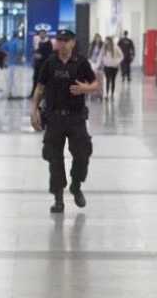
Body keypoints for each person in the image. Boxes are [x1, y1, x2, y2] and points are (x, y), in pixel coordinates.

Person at [29, 30, 100, 213]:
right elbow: (39, 88)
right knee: (54, 158)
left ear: (73, 42)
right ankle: (58, 198)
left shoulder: (81, 62)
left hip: (76, 117)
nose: (62, 44)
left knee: (82, 154)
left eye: (65, 40)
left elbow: (95, 84)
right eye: (59, 40)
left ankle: (76, 185)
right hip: (54, 118)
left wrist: (85, 88)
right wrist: (33, 110)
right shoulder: (50, 63)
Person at [29, 29, 53, 98]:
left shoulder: (48, 43)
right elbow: (36, 52)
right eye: (40, 34)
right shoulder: (39, 42)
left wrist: (41, 56)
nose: (41, 35)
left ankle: (43, 94)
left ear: (45, 34)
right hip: (37, 64)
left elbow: (49, 54)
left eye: (42, 33)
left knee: (43, 79)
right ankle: (34, 93)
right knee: (35, 78)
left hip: (44, 64)